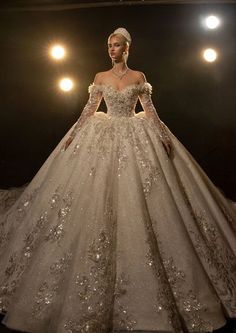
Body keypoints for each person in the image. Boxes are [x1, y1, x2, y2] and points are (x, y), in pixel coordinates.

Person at [0, 27, 235, 333]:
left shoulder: (138, 77)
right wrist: (74, 134)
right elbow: (90, 108)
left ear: (127, 48)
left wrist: (162, 135)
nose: (112, 49)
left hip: (135, 134)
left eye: (117, 46)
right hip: (104, 133)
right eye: (109, 45)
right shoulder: (99, 76)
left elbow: (150, 111)